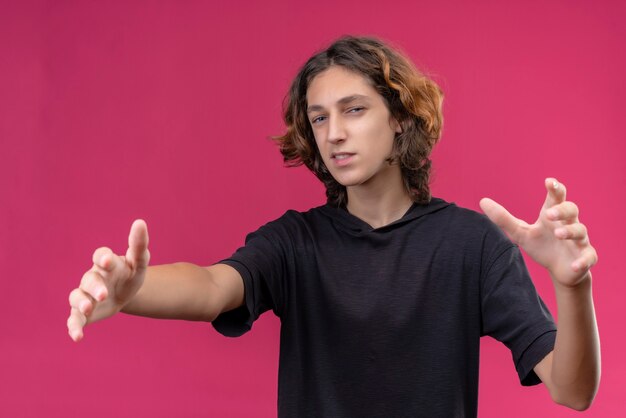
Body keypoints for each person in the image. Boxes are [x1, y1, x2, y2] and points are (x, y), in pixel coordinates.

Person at [67, 36, 600, 417]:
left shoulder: (472, 244)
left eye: (354, 110)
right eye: (320, 117)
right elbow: (212, 286)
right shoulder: (295, 242)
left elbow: (572, 390)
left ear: (400, 119)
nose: (335, 133)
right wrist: (135, 290)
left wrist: (572, 286)